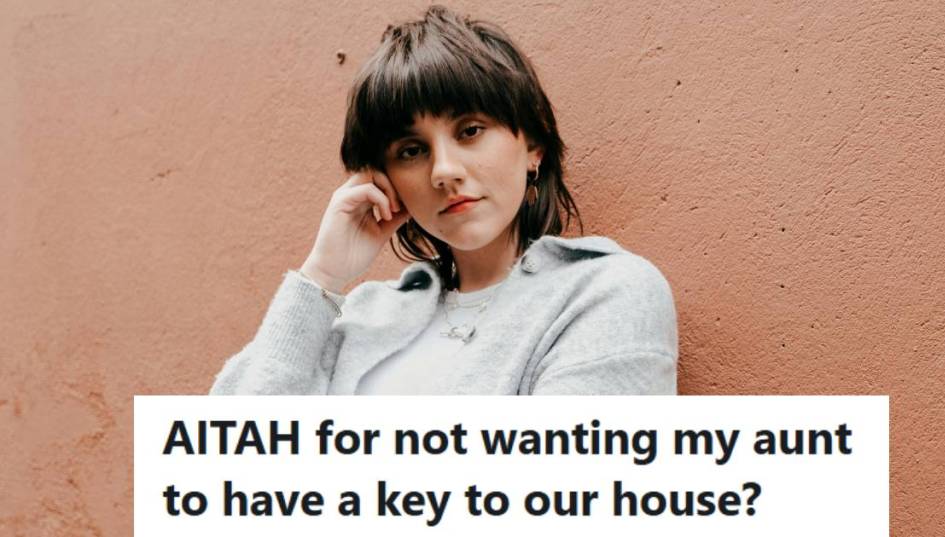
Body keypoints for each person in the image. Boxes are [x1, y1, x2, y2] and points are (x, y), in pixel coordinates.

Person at [209, 5, 678, 395]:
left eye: (470, 131)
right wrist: (322, 276)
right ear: (386, 179)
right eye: (411, 151)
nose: (444, 171)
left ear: (533, 146)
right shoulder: (362, 317)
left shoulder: (605, 293)